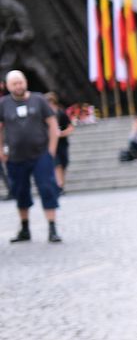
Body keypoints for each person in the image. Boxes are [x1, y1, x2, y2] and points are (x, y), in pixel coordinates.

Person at [0, 70, 61, 243]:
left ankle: (52, 228)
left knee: (47, 188)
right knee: (20, 192)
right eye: (14, 84)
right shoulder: (3, 104)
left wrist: (51, 149)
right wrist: (1, 150)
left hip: (41, 154)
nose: (18, 86)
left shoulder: (38, 99)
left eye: (20, 82)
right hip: (15, 157)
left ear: (25, 82)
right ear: (8, 86)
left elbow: (52, 124)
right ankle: (25, 228)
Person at [44, 92, 74, 194]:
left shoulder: (61, 113)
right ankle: (59, 186)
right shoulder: (43, 116)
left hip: (62, 143)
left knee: (64, 163)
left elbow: (70, 128)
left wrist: (61, 133)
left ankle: (61, 185)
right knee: (57, 164)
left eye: (52, 103)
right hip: (51, 143)